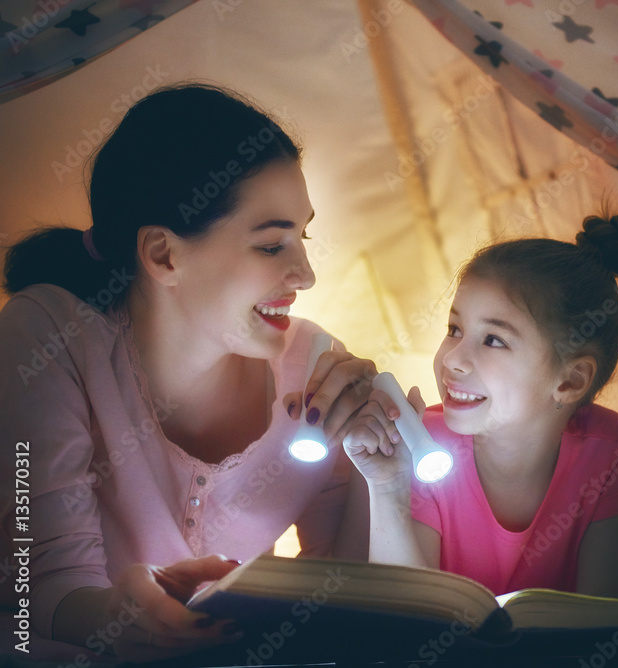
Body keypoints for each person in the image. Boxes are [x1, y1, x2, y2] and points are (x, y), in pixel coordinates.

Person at [0, 84, 372, 662]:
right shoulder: (46, 337)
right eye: (272, 246)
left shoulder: (315, 370)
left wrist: (380, 473)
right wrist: (112, 618)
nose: (306, 274)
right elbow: (34, 590)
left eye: (303, 237)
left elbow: (335, 593)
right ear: (163, 255)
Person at [341, 213, 618, 598]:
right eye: (454, 329)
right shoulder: (422, 445)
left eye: (493, 340)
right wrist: (388, 486)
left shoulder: (607, 448)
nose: (453, 358)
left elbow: (605, 615)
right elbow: (404, 619)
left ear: (569, 381)